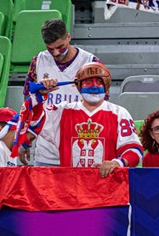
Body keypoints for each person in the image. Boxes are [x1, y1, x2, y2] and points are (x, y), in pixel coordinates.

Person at [34, 62, 143, 176]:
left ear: (107, 86)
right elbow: (33, 122)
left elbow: (135, 150)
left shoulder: (119, 113)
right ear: (78, 86)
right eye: (88, 81)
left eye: (99, 82)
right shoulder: (62, 111)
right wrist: (39, 96)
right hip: (70, 185)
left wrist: (117, 163)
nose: (94, 86)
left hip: (107, 185)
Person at [25, 18, 102, 165]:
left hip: (80, 150)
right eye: (50, 49)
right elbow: (28, 104)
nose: (55, 53)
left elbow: (102, 105)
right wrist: (25, 139)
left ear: (68, 37)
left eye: (60, 47)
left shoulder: (90, 63)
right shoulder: (38, 61)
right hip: (46, 153)